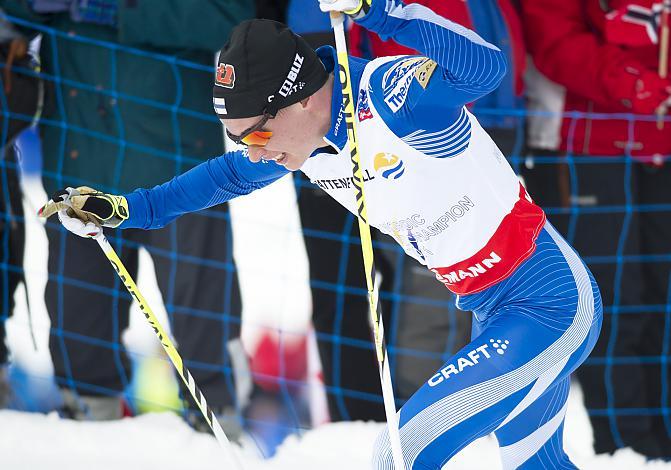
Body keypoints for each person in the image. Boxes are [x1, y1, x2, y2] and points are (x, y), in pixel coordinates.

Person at [40, 0, 603, 467]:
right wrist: (124, 209)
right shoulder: (301, 144)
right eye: (237, 136)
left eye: (256, 135)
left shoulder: (390, 97)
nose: (252, 150)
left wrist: (380, 10)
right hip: (491, 309)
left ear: (304, 96)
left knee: (400, 454)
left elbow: (485, 68)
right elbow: (220, 177)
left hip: (547, 302)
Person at [2, 0, 252, 430]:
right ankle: (86, 431)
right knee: (80, 330)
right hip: (79, 160)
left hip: (180, 166)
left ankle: (220, 431)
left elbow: (234, 17)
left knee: (205, 328)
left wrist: (120, 11)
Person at [521, 0, 671, 458]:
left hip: (661, 145)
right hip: (586, 145)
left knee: (663, 297)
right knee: (614, 299)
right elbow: (556, 43)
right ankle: (625, 446)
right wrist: (635, 82)